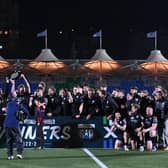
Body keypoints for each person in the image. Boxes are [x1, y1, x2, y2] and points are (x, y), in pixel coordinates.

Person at [4, 79, 29, 160]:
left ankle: (9, 155)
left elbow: (12, 92)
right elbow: (27, 113)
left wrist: (13, 83)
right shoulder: (18, 104)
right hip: (14, 124)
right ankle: (19, 153)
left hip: (6, 124)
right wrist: (23, 118)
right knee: (18, 139)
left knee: (9, 140)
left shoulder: (8, 104)